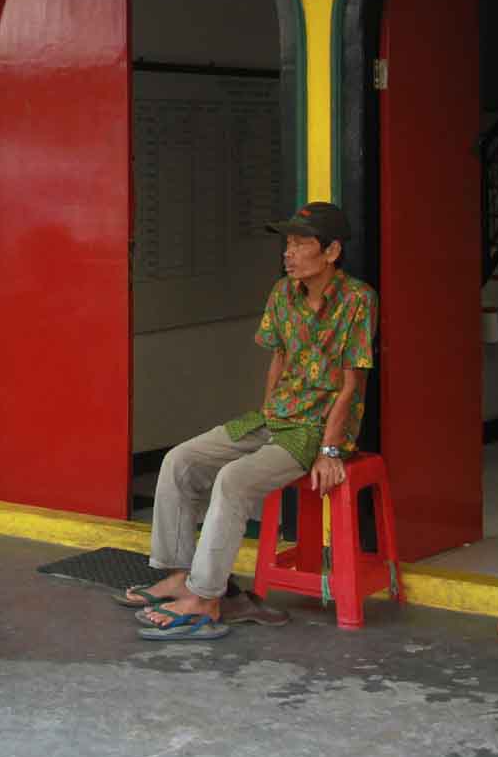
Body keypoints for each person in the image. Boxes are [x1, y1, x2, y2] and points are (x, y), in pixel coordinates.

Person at [124, 201, 379, 641]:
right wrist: (266, 413)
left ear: (332, 251)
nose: (289, 252)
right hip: (273, 419)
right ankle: (179, 573)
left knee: (233, 480)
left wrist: (331, 449)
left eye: (301, 244)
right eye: (288, 243)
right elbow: (277, 362)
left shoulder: (358, 300)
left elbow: (352, 384)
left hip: (312, 430)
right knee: (180, 460)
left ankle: (205, 598)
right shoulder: (282, 293)